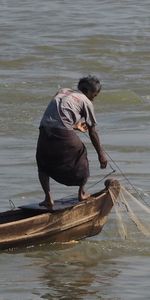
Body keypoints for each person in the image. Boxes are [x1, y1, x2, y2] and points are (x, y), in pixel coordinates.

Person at [36, 75, 108, 210]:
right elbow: (92, 131)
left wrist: (74, 126)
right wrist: (101, 156)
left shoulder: (62, 91)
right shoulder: (85, 101)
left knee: (42, 162)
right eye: (94, 95)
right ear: (86, 91)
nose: (93, 99)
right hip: (61, 131)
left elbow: (56, 117)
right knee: (81, 152)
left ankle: (48, 198)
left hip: (45, 130)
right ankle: (82, 193)